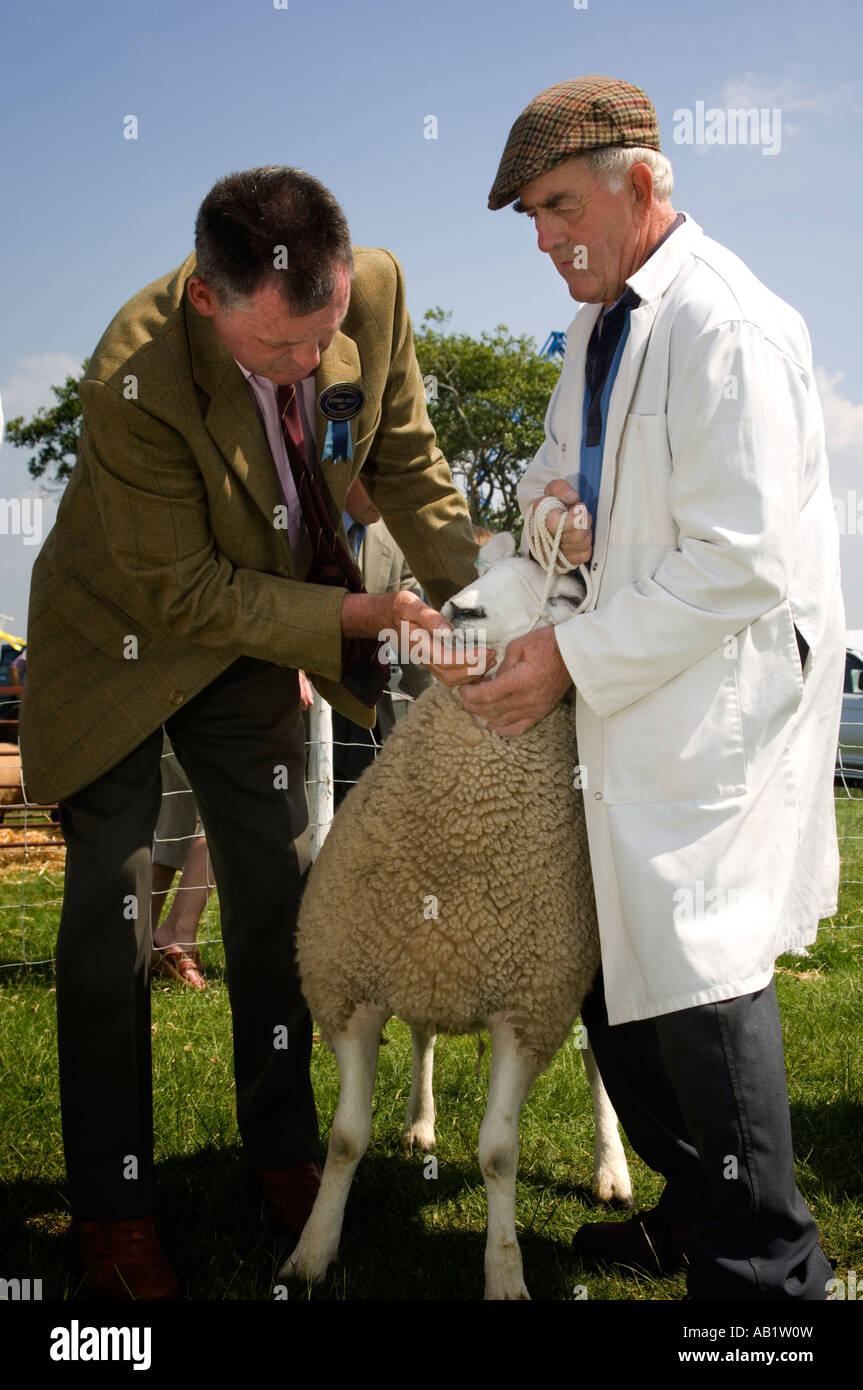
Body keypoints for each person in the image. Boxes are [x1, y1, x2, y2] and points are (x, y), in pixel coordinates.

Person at [18, 165, 487, 1299]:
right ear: (203, 303)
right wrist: (359, 615)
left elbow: (403, 461)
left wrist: (479, 607)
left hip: (253, 636)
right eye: (274, 353)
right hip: (125, 636)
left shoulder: (369, 294)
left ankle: (278, 1149)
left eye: (317, 342)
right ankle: (116, 1208)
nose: (302, 370)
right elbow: (182, 591)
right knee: (111, 917)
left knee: (282, 893)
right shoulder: (128, 373)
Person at [465, 76, 846, 1300]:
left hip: (703, 711)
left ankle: (764, 1275)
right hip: (623, 698)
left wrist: (565, 654)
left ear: (641, 184)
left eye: (558, 203)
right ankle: (694, 1208)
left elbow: (739, 562)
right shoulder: (593, 329)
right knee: (611, 971)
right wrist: (551, 516)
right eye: (528, 214)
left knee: (695, 970)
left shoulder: (722, 323)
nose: (542, 238)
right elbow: (538, 477)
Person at [331, 476, 432, 804]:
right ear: (351, 471)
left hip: (371, 711)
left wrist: (441, 698)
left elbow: (412, 629)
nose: (386, 494)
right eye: (377, 475)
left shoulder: (397, 536)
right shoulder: (299, 520)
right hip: (306, 708)